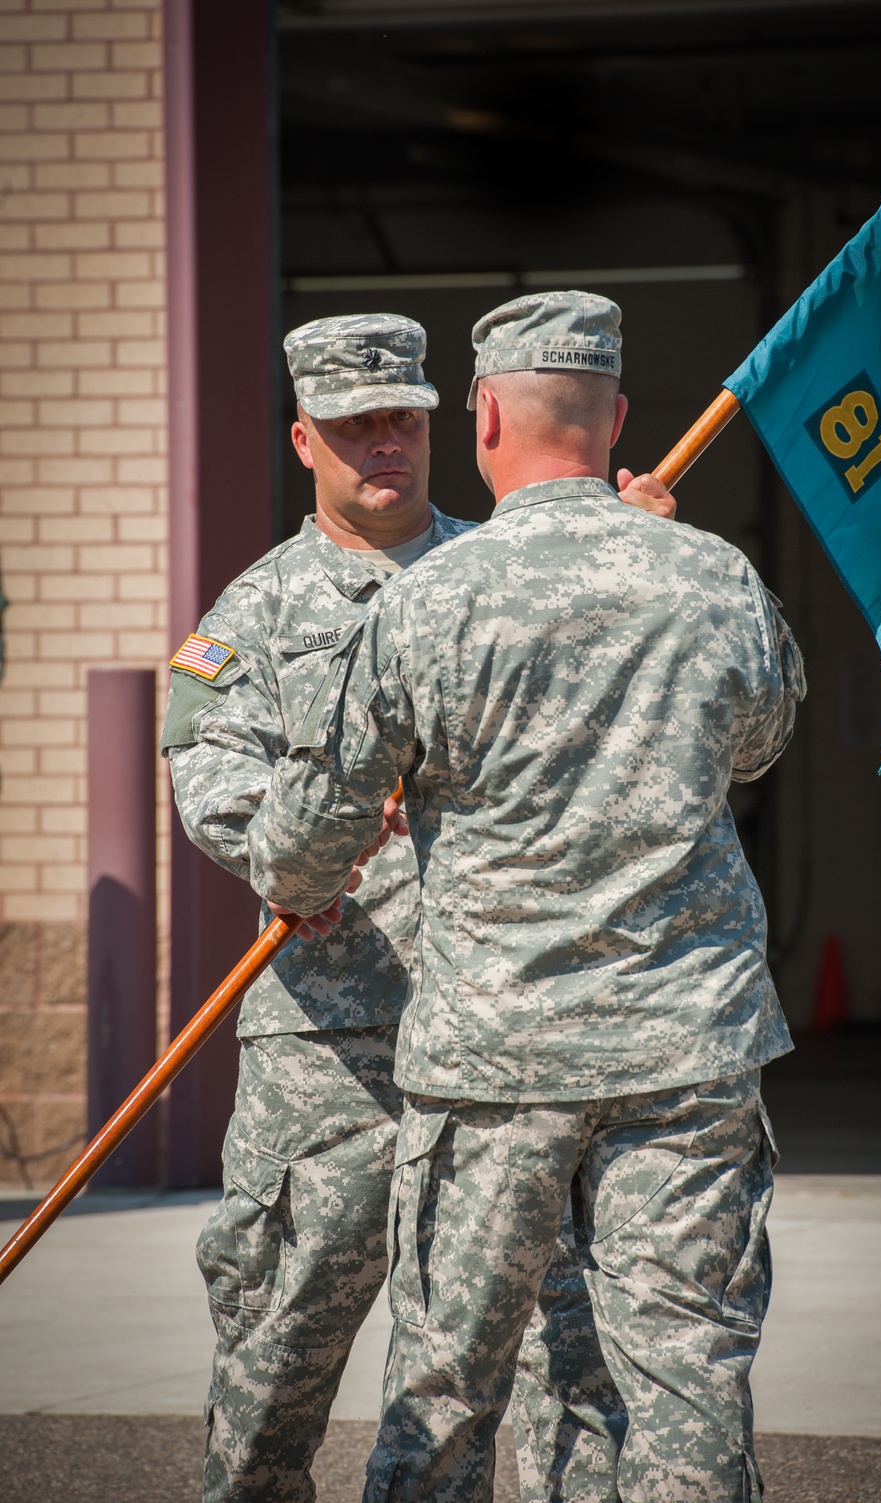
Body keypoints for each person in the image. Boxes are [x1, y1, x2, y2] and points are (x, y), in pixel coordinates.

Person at [244, 290, 807, 1503]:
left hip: (496, 1064)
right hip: (687, 1050)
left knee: (445, 1390)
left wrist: (302, 875)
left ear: (485, 413)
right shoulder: (713, 576)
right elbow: (756, 742)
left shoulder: (423, 602)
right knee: (687, 1379)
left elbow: (307, 843)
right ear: (613, 421)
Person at [161, 310, 674, 1503]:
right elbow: (211, 781)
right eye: (354, 427)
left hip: (508, 1034)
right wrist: (314, 830)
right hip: (332, 1053)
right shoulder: (257, 613)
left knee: (550, 1354)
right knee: (280, 1351)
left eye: (404, 419)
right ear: (304, 438)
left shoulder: (504, 569)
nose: (384, 444)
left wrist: (628, 553)